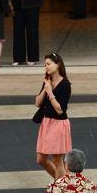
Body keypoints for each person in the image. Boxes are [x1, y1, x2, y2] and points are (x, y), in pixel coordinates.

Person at [34, 52, 72, 180]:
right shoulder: (47, 82)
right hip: (46, 122)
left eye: (49, 64)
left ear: (58, 64)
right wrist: (46, 88)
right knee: (40, 159)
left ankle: (59, 188)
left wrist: (50, 93)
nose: (46, 67)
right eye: (45, 65)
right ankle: (61, 183)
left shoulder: (65, 85)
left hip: (58, 123)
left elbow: (60, 110)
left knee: (57, 159)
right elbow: (37, 103)